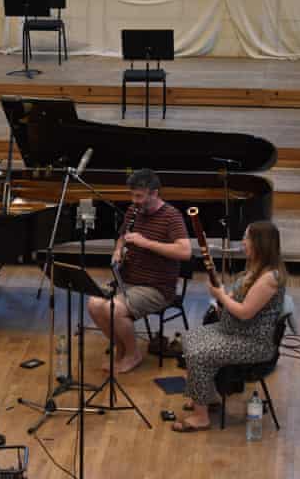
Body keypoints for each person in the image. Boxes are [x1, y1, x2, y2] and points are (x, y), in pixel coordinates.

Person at [173, 221, 288, 433]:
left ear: (259, 243)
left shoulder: (269, 278)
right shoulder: (255, 269)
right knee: (189, 339)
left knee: (199, 354)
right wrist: (224, 295)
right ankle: (210, 397)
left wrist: (221, 297)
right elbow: (239, 299)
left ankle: (201, 417)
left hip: (252, 342)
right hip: (235, 331)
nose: (243, 242)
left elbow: (245, 312)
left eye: (247, 238)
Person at [87, 169, 191, 373]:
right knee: (93, 303)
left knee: (113, 309)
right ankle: (122, 348)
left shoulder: (171, 216)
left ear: (154, 193)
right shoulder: (133, 211)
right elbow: (122, 237)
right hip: (127, 281)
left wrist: (147, 243)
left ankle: (133, 354)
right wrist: (118, 251)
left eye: (139, 196)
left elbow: (185, 251)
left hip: (157, 287)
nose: (135, 200)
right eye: (132, 195)